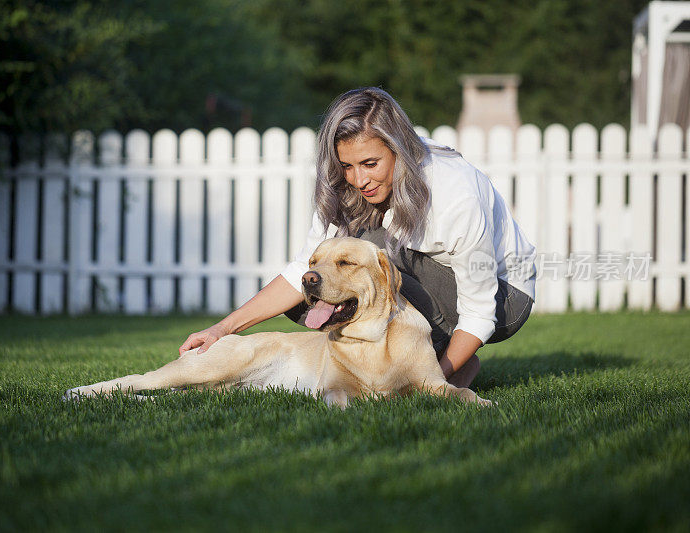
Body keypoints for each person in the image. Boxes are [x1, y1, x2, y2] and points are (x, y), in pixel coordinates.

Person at [180, 87, 536, 388]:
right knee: (317, 284)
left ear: (401, 150)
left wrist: (432, 382)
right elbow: (301, 271)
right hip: (429, 283)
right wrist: (222, 329)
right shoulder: (345, 187)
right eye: (347, 166)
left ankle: (441, 361)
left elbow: (478, 311)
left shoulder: (456, 192)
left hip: (503, 298)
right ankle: (407, 365)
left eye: (370, 163)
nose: (358, 179)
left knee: (367, 255)